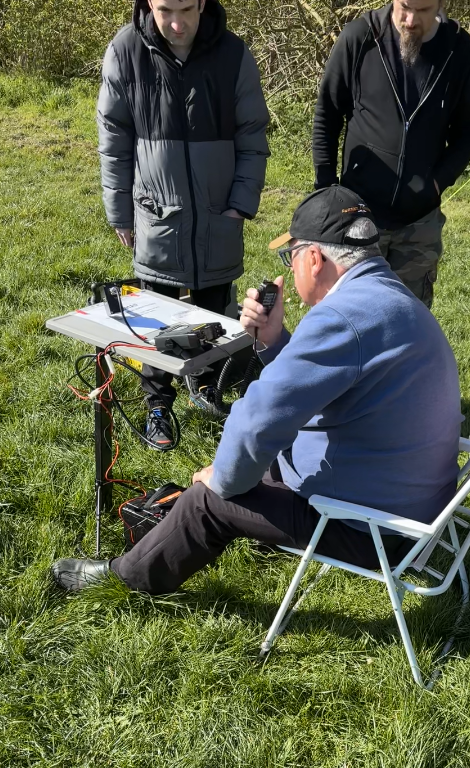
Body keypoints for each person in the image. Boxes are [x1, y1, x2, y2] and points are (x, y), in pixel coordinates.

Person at [51, 186, 463, 594]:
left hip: (376, 531)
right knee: (250, 466)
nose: (292, 267)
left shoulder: (343, 318)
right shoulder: (389, 298)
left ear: (315, 259)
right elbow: (328, 385)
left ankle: (126, 576)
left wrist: (218, 482)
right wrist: (273, 338)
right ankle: (186, 527)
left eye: (292, 256)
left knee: (208, 501)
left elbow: (256, 423)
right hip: (420, 503)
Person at [97, 0, 270, 448]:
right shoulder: (125, 51)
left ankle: (208, 383)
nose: (177, 23)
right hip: (156, 215)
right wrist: (120, 211)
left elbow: (253, 135)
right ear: (147, 5)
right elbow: (113, 140)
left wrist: (240, 204)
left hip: (219, 215)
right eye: (165, 10)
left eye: (187, 10)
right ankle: (158, 403)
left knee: (215, 313)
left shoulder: (234, 54)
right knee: (158, 316)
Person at [312, 0, 470, 309]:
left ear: (441, 5)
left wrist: (437, 182)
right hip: (357, 217)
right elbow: (327, 114)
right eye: (404, 6)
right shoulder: (360, 37)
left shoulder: (459, 49)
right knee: (349, 318)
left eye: (424, 10)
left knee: (407, 324)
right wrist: (326, 191)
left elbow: (469, 129)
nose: (410, 20)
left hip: (418, 225)